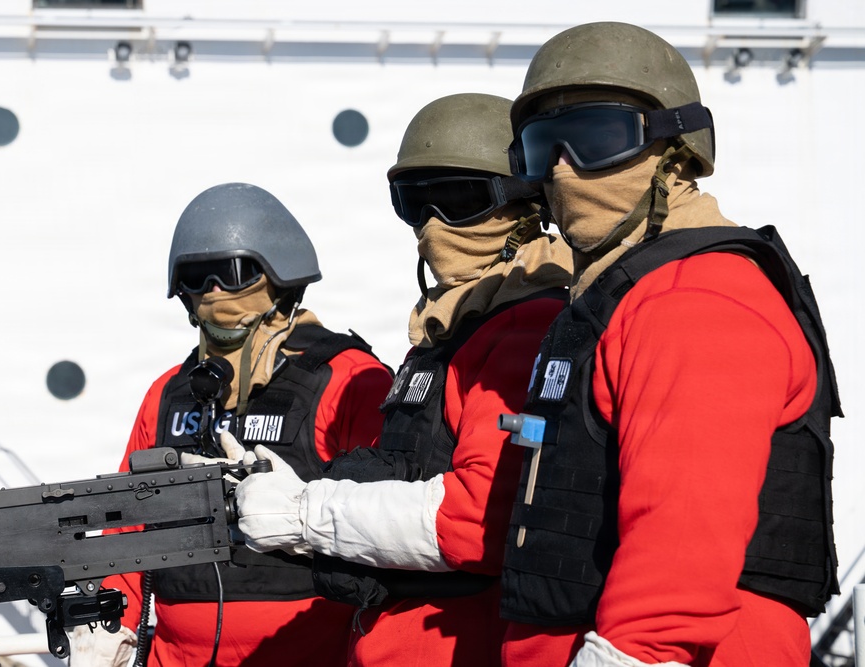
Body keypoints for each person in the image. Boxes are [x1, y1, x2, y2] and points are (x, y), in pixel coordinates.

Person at [498, 22, 841, 667]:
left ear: (676, 155)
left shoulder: (697, 299)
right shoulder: (617, 296)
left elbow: (681, 549)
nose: (566, 168)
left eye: (599, 138)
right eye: (544, 147)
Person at [234, 93, 573, 666]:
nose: (434, 224)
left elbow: (476, 519)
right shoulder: (448, 332)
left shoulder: (526, 326)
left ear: (524, 203)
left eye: (460, 200)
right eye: (415, 203)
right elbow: (408, 471)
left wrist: (305, 513)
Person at [73, 182, 393, 667]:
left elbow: (386, 532)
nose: (214, 291)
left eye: (233, 273)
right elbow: (127, 534)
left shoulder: (349, 380)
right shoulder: (167, 394)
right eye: (197, 278)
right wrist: (105, 632)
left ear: (281, 275)